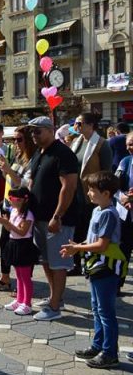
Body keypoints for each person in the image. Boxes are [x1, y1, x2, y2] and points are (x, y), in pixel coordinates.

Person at [61, 171, 125, 369]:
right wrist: (79, 244)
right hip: (95, 266)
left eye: (92, 190)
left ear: (106, 193)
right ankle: (98, 345)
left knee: (106, 312)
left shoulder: (108, 213)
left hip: (105, 268)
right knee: (97, 309)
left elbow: (102, 245)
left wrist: (77, 248)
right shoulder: (98, 210)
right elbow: (93, 240)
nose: (88, 193)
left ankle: (110, 353)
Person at [26, 116, 79, 322]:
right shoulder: (40, 152)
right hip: (39, 216)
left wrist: (58, 216)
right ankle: (54, 297)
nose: (34, 135)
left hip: (57, 219)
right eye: (32, 132)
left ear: (50, 130)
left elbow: (69, 187)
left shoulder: (63, 154)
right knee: (46, 261)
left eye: (38, 131)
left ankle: (55, 307)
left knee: (58, 263)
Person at [0, 126, 37, 292]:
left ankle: (24, 282)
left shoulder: (33, 160)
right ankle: (5, 277)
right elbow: (11, 180)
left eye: (19, 139)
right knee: (5, 242)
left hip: (22, 208)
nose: (16, 143)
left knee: (22, 245)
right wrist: (5, 170)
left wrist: (9, 170)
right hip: (9, 205)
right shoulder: (18, 156)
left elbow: (24, 184)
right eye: (14, 140)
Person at [70, 113, 113, 275]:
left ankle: (93, 263)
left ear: (90, 125)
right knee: (76, 229)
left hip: (93, 195)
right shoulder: (76, 142)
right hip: (76, 193)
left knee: (91, 230)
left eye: (79, 123)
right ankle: (75, 264)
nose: (76, 126)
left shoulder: (102, 144)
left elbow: (107, 173)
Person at [0, 187, 39, 315]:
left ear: (22, 200)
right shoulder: (14, 211)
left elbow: (22, 231)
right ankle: (19, 300)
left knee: (25, 277)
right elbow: (11, 230)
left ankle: (27, 303)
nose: (11, 201)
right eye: (10, 198)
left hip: (24, 246)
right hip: (14, 244)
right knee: (18, 276)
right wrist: (5, 223)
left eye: (13, 199)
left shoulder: (28, 215)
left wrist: (7, 223)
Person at [114, 132, 133, 294]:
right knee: (122, 251)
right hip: (125, 215)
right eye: (128, 144)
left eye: (132, 144)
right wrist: (124, 197)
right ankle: (118, 283)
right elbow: (114, 187)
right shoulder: (125, 162)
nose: (130, 148)